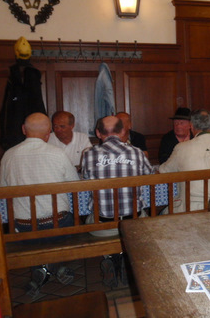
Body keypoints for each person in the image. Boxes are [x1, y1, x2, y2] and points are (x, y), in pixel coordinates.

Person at [0, 112, 79, 297]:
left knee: (34, 230)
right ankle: (54, 266)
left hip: (24, 229)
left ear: (23, 130)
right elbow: (75, 184)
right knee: (64, 221)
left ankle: (43, 269)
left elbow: (4, 190)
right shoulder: (57, 154)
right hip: (58, 225)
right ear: (49, 132)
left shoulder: (8, 155)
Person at [81, 115, 153, 288]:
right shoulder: (136, 152)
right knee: (144, 213)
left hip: (102, 227)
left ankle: (111, 257)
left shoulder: (88, 154)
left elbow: (85, 180)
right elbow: (150, 176)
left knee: (91, 214)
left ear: (98, 133)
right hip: (133, 222)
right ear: (122, 131)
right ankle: (126, 258)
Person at [159, 109, 210, 213]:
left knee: (162, 214)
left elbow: (163, 171)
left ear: (191, 126)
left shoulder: (182, 148)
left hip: (191, 209)